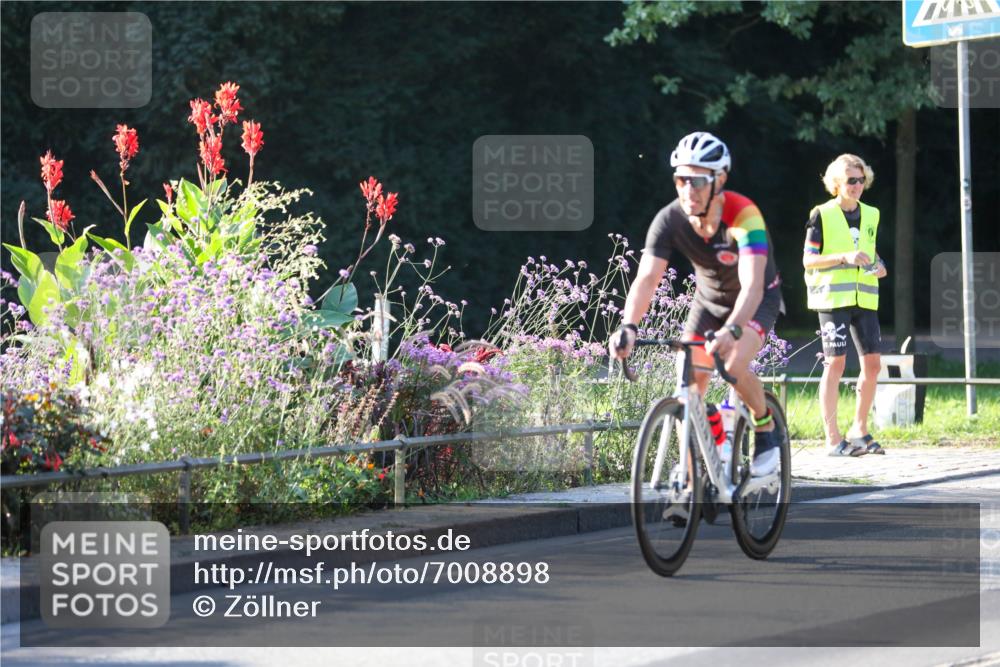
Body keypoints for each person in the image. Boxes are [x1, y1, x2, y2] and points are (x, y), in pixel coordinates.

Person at [608, 131, 784, 477]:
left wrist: (734, 330)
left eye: (698, 181)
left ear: (719, 181)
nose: (688, 190)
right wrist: (628, 326)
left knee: (731, 366)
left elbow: (751, 285)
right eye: (681, 180)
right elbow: (646, 279)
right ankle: (688, 479)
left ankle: (765, 428)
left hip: (757, 298)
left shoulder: (744, 215)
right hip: (709, 301)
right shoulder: (670, 219)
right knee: (687, 386)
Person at [803, 154, 888, 457]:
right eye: (851, 180)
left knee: (873, 365)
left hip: (864, 298)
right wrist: (843, 257)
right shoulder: (821, 214)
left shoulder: (872, 214)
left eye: (861, 179)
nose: (857, 185)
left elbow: (869, 250)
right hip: (832, 299)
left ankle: (860, 430)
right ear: (836, 183)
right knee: (835, 364)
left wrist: (879, 265)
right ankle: (833, 438)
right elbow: (808, 259)